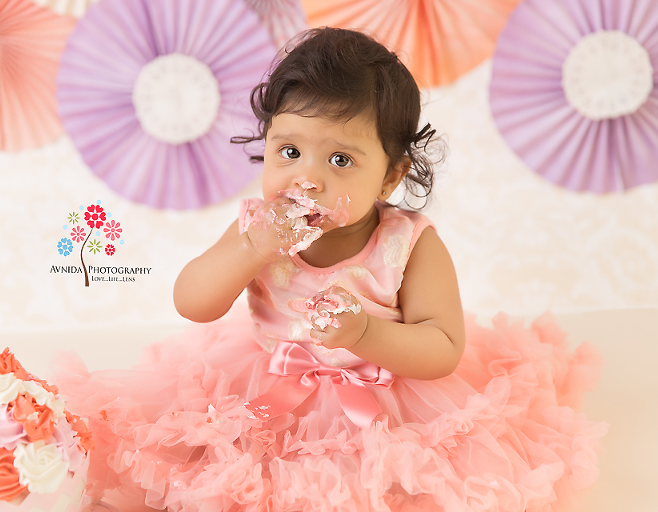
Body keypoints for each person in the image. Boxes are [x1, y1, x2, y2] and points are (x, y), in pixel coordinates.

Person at [60, 28, 606, 512]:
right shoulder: (259, 226)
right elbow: (193, 302)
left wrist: (365, 332)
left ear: (390, 178)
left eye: (340, 160)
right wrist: (251, 249)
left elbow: (442, 347)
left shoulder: (407, 243)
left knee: (392, 485)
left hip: (386, 391)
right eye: (290, 151)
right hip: (265, 378)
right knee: (232, 474)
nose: (309, 179)